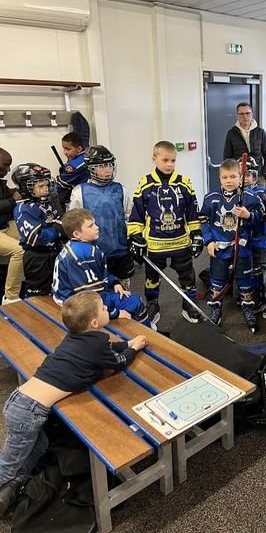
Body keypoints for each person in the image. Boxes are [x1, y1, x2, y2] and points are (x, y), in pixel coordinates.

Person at [0, 291, 146, 516]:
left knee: (38, 447)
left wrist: (126, 343)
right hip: (29, 411)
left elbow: (108, 349)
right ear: (95, 323)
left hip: (21, 401)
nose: (107, 309)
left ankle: (11, 489)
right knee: (8, 465)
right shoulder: (96, 344)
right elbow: (119, 361)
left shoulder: (75, 338)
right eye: (104, 308)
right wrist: (133, 348)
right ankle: (7, 483)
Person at [127, 141, 203, 326]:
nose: (170, 164)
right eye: (165, 160)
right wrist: (135, 236)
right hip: (155, 244)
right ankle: (153, 304)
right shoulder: (145, 184)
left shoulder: (185, 183)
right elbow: (137, 213)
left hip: (180, 243)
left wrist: (196, 234)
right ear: (154, 159)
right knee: (151, 278)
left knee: (187, 276)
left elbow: (192, 212)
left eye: (173, 160)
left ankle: (188, 304)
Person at [52, 209, 149, 327]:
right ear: (76, 234)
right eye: (90, 226)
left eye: (95, 223)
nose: (97, 227)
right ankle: (148, 334)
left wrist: (114, 282)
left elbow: (99, 272)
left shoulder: (80, 246)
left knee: (123, 293)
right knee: (135, 302)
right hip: (74, 304)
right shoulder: (83, 255)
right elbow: (91, 296)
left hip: (70, 296)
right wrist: (115, 313)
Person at [200, 158, 264, 332]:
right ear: (219, 178)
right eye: (225, 177)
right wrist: (209, 241)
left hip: (241, 248)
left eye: (233, 177)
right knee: (217, 279)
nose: (229, 181)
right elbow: (203, 220)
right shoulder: (211, 198)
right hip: (219, 249)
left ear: (240, 177)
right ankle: (215, 308)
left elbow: (261, 219)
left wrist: (248, 215)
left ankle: (248, 307)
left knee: (245, 280)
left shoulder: (250, 197)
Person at [68, 145, 134, 288]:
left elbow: (129, 217)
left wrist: (132, 238)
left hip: (120, 250)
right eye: (102, 166)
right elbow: (74, 223)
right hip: (94, 252)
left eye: (109, 165)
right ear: (91, 168)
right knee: (98, 289)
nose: (108, 170)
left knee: (123, 289)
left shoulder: (121, 189)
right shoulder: (80, 192)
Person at [12, 163, 66, 296]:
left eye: (46, 185)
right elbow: (37, 237)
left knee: (59, 290)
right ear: (26, 188)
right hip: (38, 258)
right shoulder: (23, 209)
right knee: (39, 296)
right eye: (40, 186)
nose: (46, 189)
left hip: (56, 252)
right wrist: (57, 229)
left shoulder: (49, 202)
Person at [239, 155, 266, 317]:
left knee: (256, 269)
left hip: (258, 239)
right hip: (243, 239)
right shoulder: (237, 193)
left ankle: (259, 298)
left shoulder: (262, 192)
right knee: (244, 268)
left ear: (254, 176)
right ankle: (245, 296)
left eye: (247, 175)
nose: (244, 179)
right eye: (241, 175)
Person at [223, 102, 266, 184]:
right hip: (238, 176)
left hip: (258, 177)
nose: (245, 117)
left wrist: (265, 174)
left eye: (247, 113)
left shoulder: (260, 132)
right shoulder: (231, 133)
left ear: (252, 114)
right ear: (237, 116)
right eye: (241, 114)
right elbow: (227, 158)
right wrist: (230, 175)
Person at [0, 149, 24, 304]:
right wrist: (13, 200)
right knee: (19, 250)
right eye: (5, 165)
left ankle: (27, 286)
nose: (8, 170)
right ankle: (11, 297)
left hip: (5, 225)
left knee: (30, 240)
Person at [55, 132, 88, 208]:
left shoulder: (75, 164)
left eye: (68, 149)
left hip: (81, 199)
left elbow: (61, 184)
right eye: (64, 149)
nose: (65, 152)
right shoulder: (86, 156)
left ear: (79, 149)